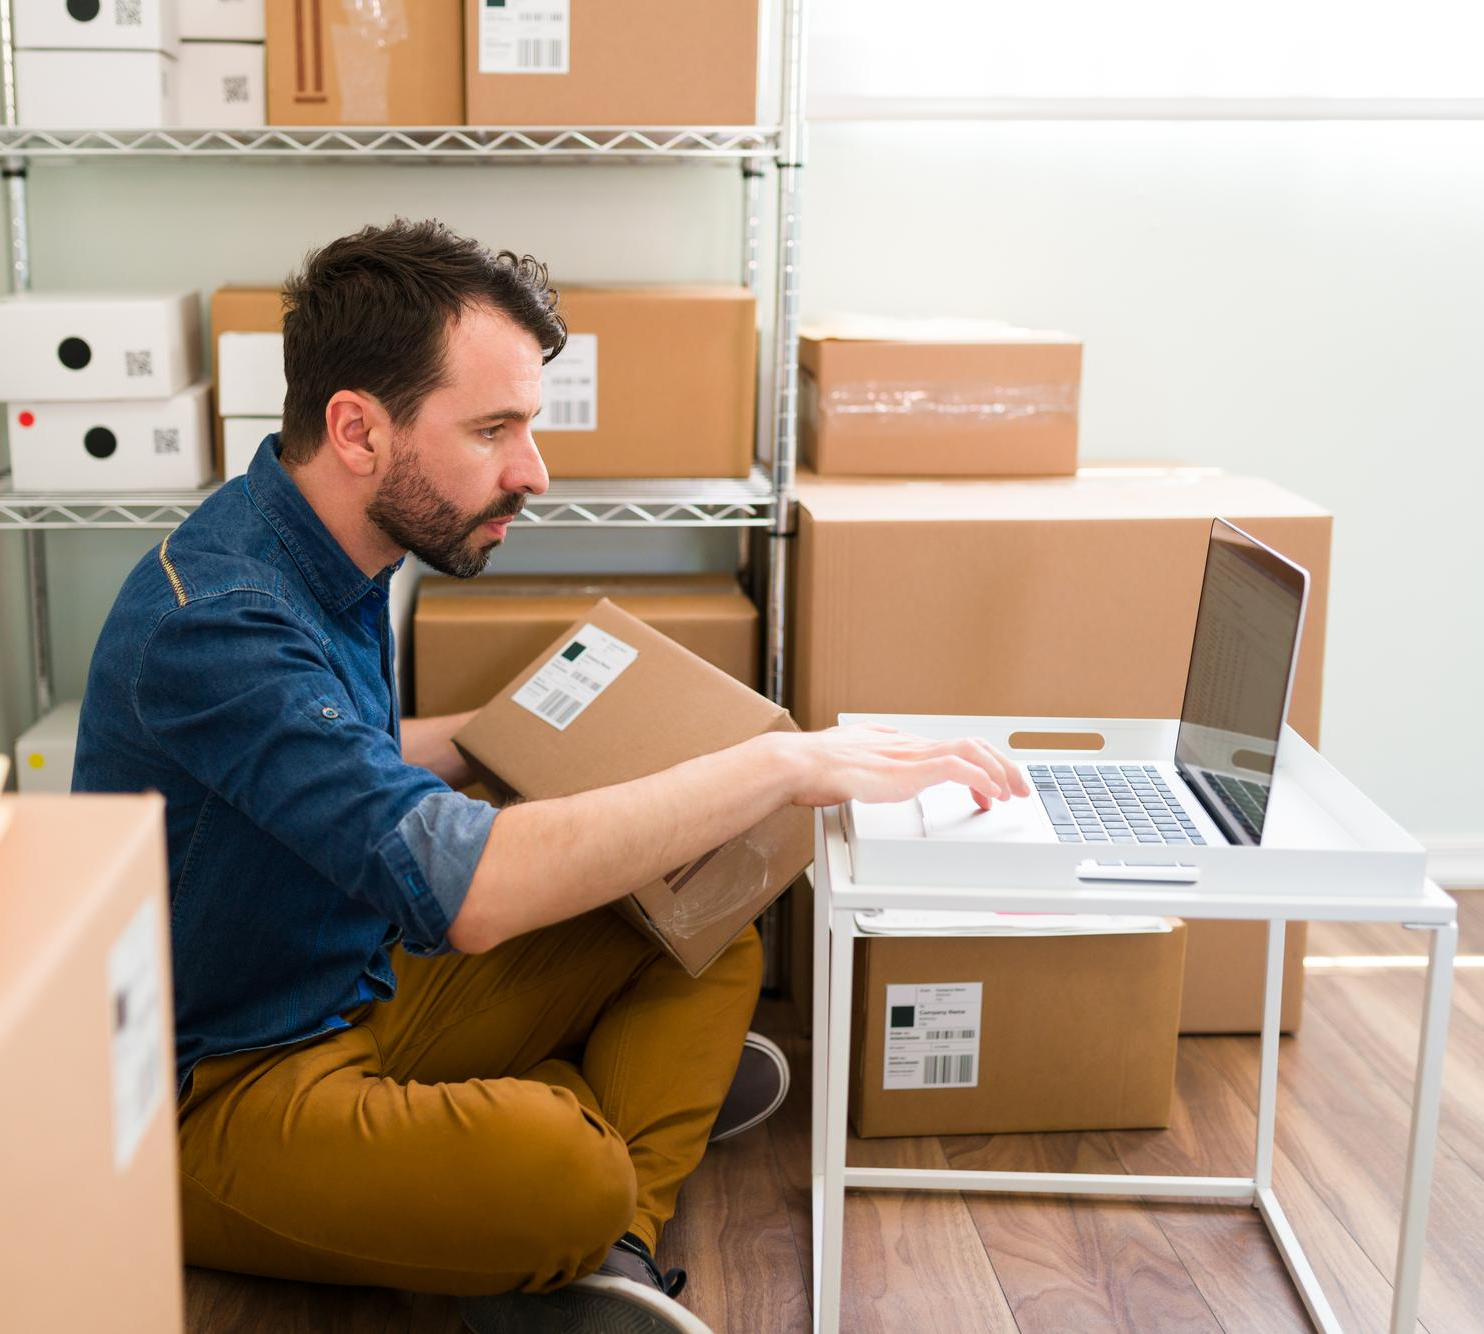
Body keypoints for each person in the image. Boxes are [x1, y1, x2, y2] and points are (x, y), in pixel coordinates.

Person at [74, 218, 1028, 1334]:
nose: (533, 469)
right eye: (493, 429)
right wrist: (776, 762)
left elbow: (348, 764)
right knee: (564, 1169)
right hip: (218, 1087)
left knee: (707, 920)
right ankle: (588, 1173)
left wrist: (508, 726)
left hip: (351, 975)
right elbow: (466, 890)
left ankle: (583, 1225)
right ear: (356, 430)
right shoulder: (217, 621)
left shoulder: (325, 544)